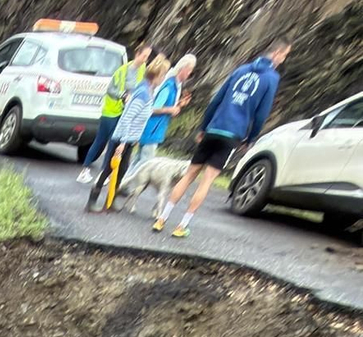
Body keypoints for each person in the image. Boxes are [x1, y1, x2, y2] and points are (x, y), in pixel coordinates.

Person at [155, 41, 290, 236]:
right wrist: (251, 138)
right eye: (284, 55)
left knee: (189, 175)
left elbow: (216, 100)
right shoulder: (271, 78)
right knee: (207, 180)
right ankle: (181, 226)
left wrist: (203, 127)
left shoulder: (241, 70)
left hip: (214, 127)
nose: (283, 59)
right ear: (277, 53)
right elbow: (261, 113)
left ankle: (162, 218)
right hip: (232, 133)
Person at [86, 55, 172, 212]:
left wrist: (134, 138)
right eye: (163, 75)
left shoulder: (148, 90)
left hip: (130, 138)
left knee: (122, 169)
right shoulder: (144, 93)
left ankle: (110, 201)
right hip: (122, 138)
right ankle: (92, 201)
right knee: (108, 169)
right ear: (158, 75)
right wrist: (123, 142)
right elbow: (128, 117)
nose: (164, 78)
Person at [79, 42, 152, 183]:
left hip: (124, 112)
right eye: (144, 56)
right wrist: (124, 95)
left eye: (148, 57)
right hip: (111, 111)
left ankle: (104, 174)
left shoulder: (143, 70)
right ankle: (85, 170)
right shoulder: (122, 70)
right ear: (137, 54)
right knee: (101, 142)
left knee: (114, 143)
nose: (145, 59)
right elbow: (111, 90)